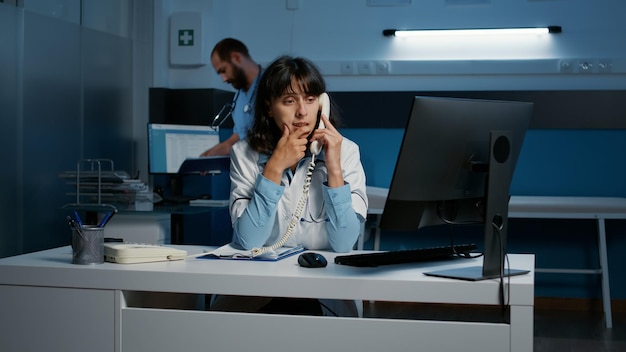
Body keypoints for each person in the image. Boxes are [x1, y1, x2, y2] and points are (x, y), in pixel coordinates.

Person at [210, 55, 368, 316]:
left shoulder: (347, 151)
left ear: (322, 103)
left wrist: (334, 168)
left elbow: (343, 243)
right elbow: (249, 240)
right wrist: (273, 168)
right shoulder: (244, 153)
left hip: (325, 291)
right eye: (289, 100)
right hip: (261, 289)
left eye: (310, 99)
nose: (302, 112)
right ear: (269, 107)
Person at [200, 38, 262, 156]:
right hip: (247, 170)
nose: (224, 79)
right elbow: (238, 137)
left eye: (223, 71)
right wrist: (210, 154)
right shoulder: (239, 96)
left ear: (237, 58)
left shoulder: (273, 85)